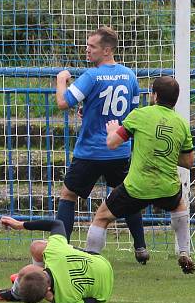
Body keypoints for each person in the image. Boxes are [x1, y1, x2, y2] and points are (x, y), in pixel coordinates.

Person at [54, 26, 149, 263]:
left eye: (92, 46)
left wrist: (61, 80)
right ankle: (140, 247)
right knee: (128, 196)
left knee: (68, 195)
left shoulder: (91, 76)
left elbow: (63, 102)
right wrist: (90, 111)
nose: (87, 50)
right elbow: (131, 112)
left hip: (91, 151)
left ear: (106, 50)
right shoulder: (130, 75)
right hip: (119, 149)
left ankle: (61, 248)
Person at [85, 76, 195, 274]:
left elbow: (112, 143)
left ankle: (91, 261)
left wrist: (111, 130)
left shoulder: (139, 115)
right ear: (176, 100)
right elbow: (188, 162)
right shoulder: (181, 124)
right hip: (166, 187)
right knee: (179, 205)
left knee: (101, 217)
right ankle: (184, 251)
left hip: (137, 187)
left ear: (154, 96)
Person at [0, 216, 114, 303]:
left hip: (105, 289)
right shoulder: (55, 254)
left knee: (31, 259)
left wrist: (54, 300)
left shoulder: (64, 300)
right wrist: (20, 225)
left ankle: (14, 293)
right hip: (101, 262)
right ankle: (22, 288)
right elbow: (57, 224)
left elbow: (93, 301)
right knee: (36, 248)